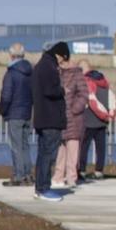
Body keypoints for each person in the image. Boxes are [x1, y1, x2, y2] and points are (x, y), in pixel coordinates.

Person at [32, 43, 69, 201]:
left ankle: (40, 187)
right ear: (59, 55)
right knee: (48, 155)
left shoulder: (41, 65)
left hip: (42, 117)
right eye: (63, 60)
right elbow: (49, 90)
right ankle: (44, 188)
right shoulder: (48, 67)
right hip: (50, 118)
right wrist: (62, 90)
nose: (62, 64)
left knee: (42, 155)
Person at [0, 44, 34, 186]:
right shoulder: (31, 72)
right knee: (25, 145)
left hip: (14, 113)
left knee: (16, 146)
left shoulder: (11, 73)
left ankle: (19, 175)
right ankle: (27, 174)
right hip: (27, 112)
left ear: (12, 55)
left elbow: (6, 96)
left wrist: (3, 110)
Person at [56, 53, 89, 191]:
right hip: (61, 117)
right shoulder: (58, 74)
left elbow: (84, 94)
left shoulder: (77, 74)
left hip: (74, 118)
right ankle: (58, 176)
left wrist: (75, 108)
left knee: (73, 149)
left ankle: (71, 177)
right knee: (60, 149)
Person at [82, 68, 114, 179]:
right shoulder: (106, 87)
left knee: (84, 147)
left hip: (88, 122)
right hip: (102, 123)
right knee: (101, 148)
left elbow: (90, 103)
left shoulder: (88, 86)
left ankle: (81, 169)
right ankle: (99, 170)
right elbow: (112, 103)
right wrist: (108, 116)